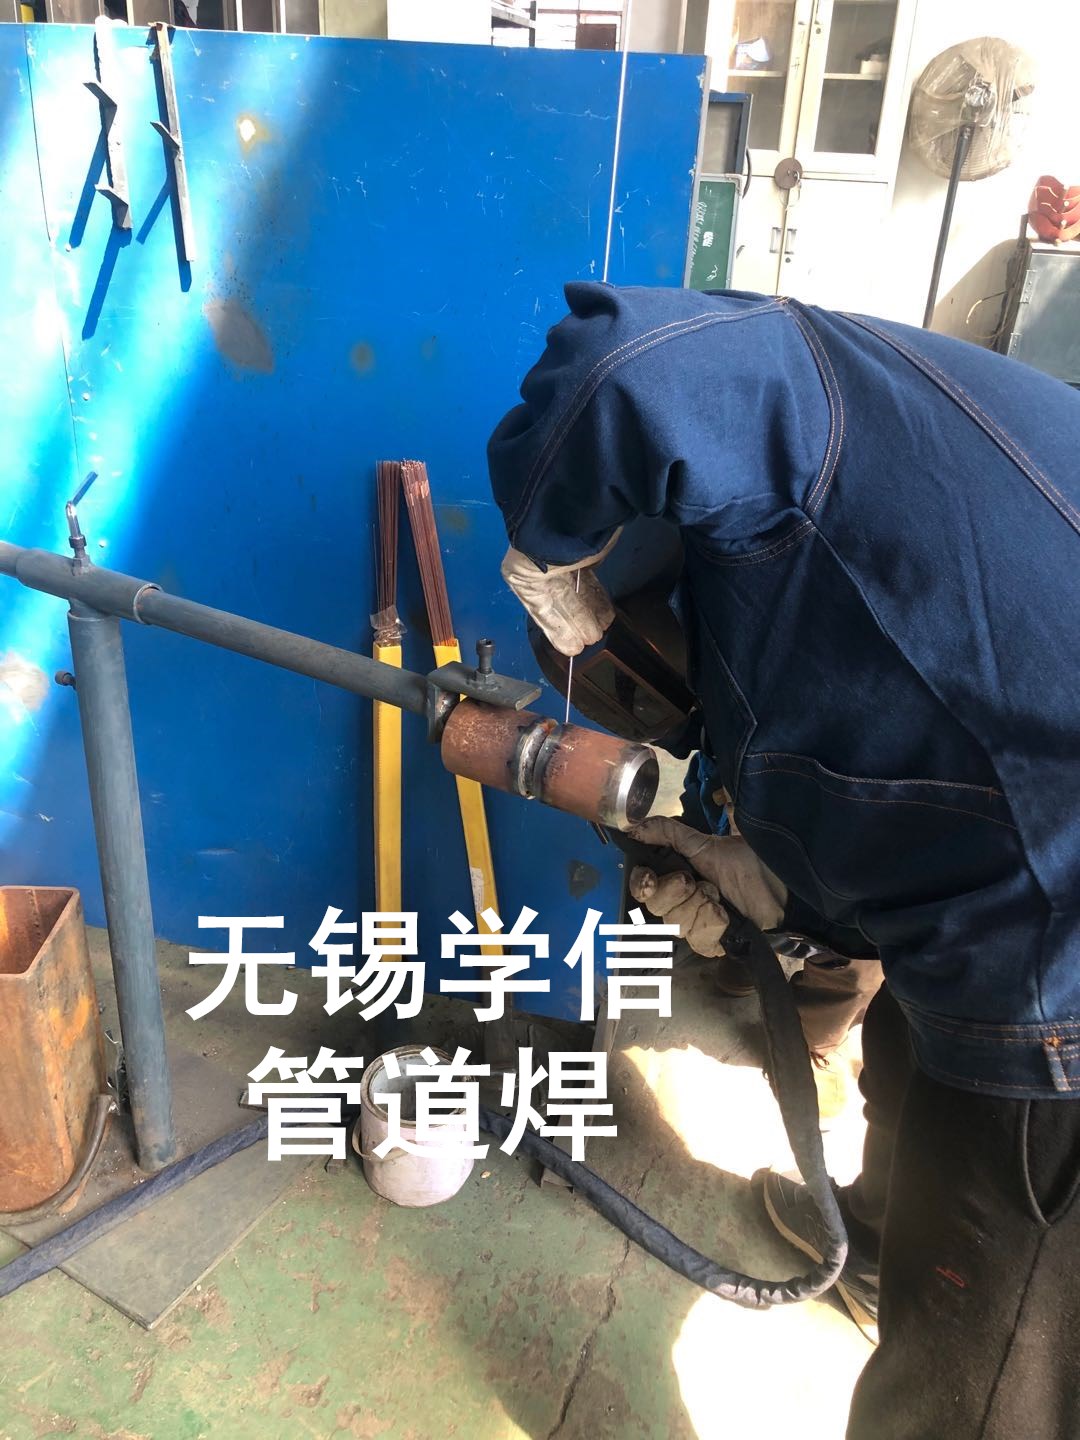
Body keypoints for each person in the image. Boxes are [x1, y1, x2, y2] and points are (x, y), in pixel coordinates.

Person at [487, 283, 1080, 1440]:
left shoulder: (793, 415)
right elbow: (903, 771)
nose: (668, 725)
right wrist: (780, 908)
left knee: (988, 1360)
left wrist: (549, 562)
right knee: (920, 1034)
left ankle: (954, 1317)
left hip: (1056, 930)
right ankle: (883, 1241)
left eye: (635, 690)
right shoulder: (848, 552)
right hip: (1013, 839)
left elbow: (618, 366)